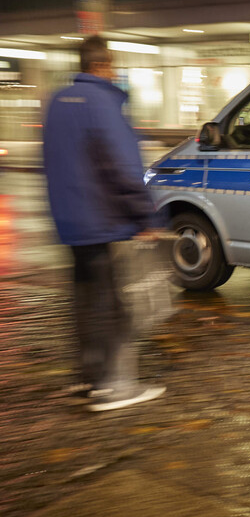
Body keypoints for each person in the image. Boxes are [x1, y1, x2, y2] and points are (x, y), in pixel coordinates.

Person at [42, 35, 166, 412]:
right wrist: (145, 215)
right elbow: (122, 167)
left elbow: (46, 163)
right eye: (112, 66)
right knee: (112, 304)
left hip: (71, 223)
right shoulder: (103, 103)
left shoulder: (56, 103)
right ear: (103, 65)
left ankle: (89, 378)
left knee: (84, 301)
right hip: (103, 220)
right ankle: (116, 386)